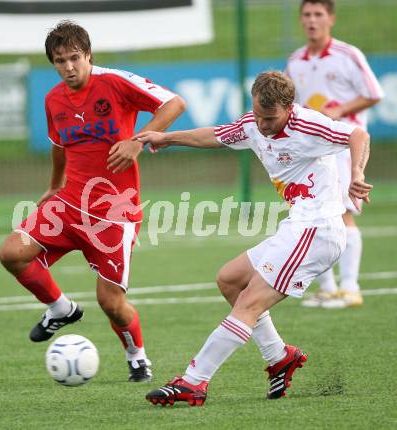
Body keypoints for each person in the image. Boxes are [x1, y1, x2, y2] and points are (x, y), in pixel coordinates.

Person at [136, 71, 372, 405]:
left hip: (318, 230)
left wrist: (358, 174)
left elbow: (358, 134)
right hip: (296, 226)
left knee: (249, 303)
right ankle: (279, 356)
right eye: (258, 116)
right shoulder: (253, 123)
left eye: (270, 118)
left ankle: (193, 381)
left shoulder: (308, 125)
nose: (261, 125)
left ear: (289, 108)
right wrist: (167, 138)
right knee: (230, 280)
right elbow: (214, 136)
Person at [0, 20, 185, 382]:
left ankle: (137, 356)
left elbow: (174, 103)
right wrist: (54, 185)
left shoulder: (115, 83)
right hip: (68, 204)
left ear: (88, 55)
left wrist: (139, 140)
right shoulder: (54, 99)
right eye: (60, 61)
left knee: (111, 303)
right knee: (11, 253)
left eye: (74, 58)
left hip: (114, 214)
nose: (68, 67)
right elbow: (58, 144)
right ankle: (60, 308)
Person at [286, 0, 383, 308]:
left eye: (318, 14)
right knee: (314, 215)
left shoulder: (347, 55)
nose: (312, 20)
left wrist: (340, 109)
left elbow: (373, 93)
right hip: (312, 149)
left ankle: (351, 288)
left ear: (331, 19)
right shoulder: (296, 61)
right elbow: (294, 105)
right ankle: (327, 288)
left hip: (343, 145)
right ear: (301, 20)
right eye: (307, 15)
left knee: (343, 214)